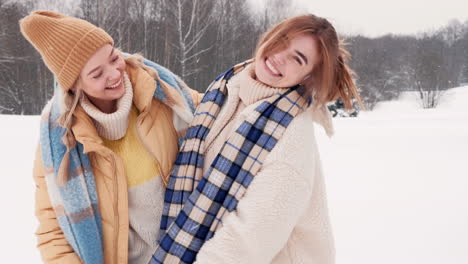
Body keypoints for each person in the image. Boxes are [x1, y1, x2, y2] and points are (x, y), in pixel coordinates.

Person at [150, 14, 362, 264]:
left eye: (298, 58)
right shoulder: (228, 89)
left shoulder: (290, 142)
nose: (281, 56)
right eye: (283, 40)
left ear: (308, 77)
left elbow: (245, 245)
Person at [20, 11, 201, 264]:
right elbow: (53, 232)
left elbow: (221, 114)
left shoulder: (164, 96)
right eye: (97, 74)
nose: (115, 74)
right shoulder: (58, 144)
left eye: (114, 57)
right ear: (74, 85)